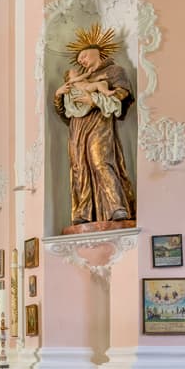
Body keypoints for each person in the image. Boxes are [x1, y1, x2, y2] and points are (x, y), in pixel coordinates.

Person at [53, 27, 135, 228]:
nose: (80, 61)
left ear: (95, 50)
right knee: (79, 165)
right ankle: (83, 211)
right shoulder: (76, 79)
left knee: (100, 161)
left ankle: (116, 207)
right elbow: (64, 111)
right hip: (77, 126)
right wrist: (58, 95)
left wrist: (94, 99)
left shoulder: (114, 71)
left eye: (82, 56)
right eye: (78, 59)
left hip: (100, 122)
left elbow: (122, 95)